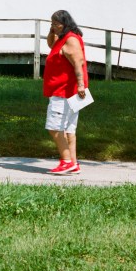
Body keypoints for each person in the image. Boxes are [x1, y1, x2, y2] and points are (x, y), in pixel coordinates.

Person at [43, 9, 89, 174]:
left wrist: (81, 85)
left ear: (66, 23)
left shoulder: (70, 39)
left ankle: (66, 161)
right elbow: (50, 44)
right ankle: (73, 164)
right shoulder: (62, 39)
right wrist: (52, 30)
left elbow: (78, 62)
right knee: (69, 129)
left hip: (64, 92)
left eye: (57, 23)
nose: (54, 26)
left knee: (54, 127)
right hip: (65, 91)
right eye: (52, 23)